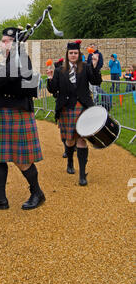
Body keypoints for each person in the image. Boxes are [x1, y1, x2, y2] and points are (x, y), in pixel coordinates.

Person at [0, 27, 45, 211]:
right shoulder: (8, 60)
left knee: (21, 159)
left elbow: (9, 77)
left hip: (17, 114)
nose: (3, 43)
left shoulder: (21, 58)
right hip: (2, 115)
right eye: (3, 40)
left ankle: (37, 193)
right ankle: (0, 198)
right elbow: (5, 85)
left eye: (7, 40)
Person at [46, 40, 102, 186]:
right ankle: (70, 161)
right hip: (66, 108)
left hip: (83, 107)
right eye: (71, 53)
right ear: (67, 54)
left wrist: (95, 66)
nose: (73, 55)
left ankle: (82, 174)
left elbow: (96, 82)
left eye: (75, 53)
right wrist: (50, 78)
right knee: (70, 140)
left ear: (79, 54)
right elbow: (53, 90)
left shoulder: (86, 67)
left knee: (82, 139)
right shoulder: (60, 70)